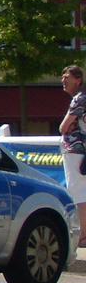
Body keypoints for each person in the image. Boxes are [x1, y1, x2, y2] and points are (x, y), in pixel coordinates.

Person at [61, 66, 86, 205]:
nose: (63, 80)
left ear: (78, 80)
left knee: (78, 194)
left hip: (76, 150)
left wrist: (70, 125)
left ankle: (83, 227)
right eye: (63, 77)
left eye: (67, 77)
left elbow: (63, 127)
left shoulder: (79, 99)